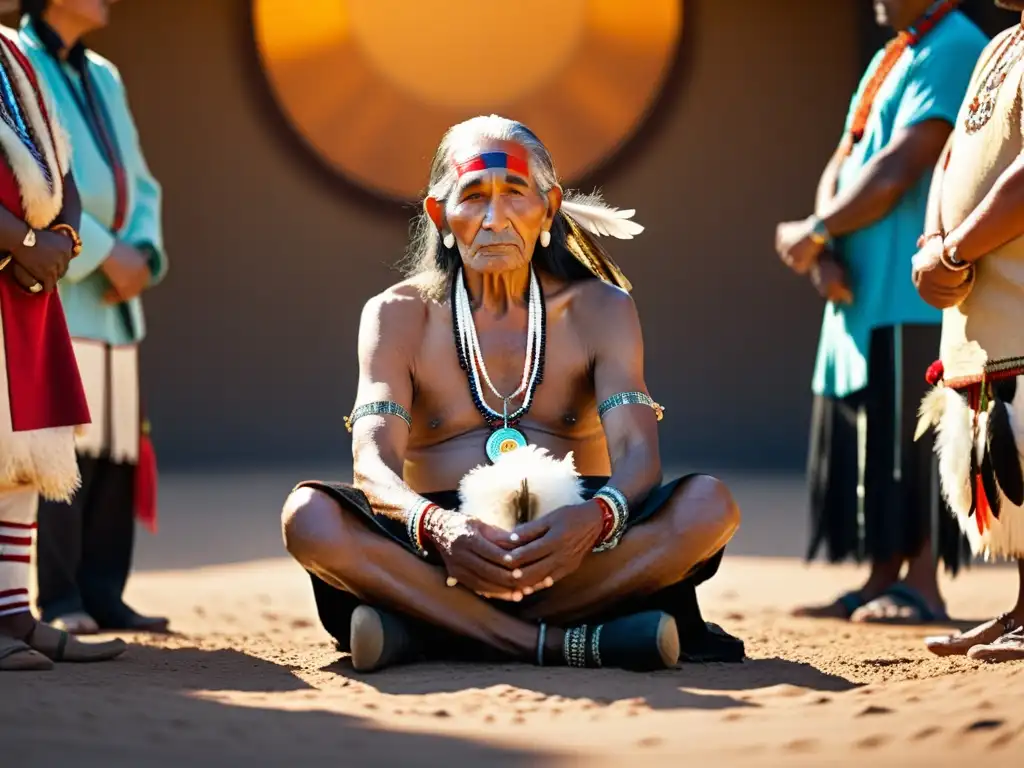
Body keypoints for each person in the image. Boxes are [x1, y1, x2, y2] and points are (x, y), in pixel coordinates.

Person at [280, 115, 743, 672]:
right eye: (473, 197)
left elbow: (638, 455)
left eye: (514, 194)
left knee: (709, 507)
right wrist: (440, 527)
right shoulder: (397, 314)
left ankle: (430, 629)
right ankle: (553, 643)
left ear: (549, 208)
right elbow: (372, 465)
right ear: (440, 215)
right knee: (306, 515)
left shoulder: (601, 308)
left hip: (577, 545)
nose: (494, 219)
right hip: (439, 546)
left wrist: (595, 518)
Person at [775, 0, 986, 624]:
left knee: (909, 441)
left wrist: (815, 229)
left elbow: (900, 167)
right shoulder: (893, 54)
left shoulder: (953, 44)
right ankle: (881, 578)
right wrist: (822, 249)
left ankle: (922, 585)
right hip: (859, 296)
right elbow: (846, 159)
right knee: (869, 440)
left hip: (910, 293)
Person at [18, 0, 169, 634]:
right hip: (60, 291)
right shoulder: (18, 60)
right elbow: (32, 176)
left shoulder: (104, 72)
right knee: (63, 448)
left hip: (116, 304)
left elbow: (140, 180)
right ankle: (60, 597)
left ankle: (105, 589)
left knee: (114, 448)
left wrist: (144, 254)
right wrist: (104, 255)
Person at [0, 21, 125, 671]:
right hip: (13, 265)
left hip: (23, 287)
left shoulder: (13, 54)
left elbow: (61, 162)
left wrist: (61, 242)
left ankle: (14, 614)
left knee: (19, 457)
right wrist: (26, 243)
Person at [912, 0, 1024, 663]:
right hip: (979, 306)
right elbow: (952, 154)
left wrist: (953, 250)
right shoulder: (998, 46)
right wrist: (933, 240)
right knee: (1008, 463)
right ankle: (1019, 608)